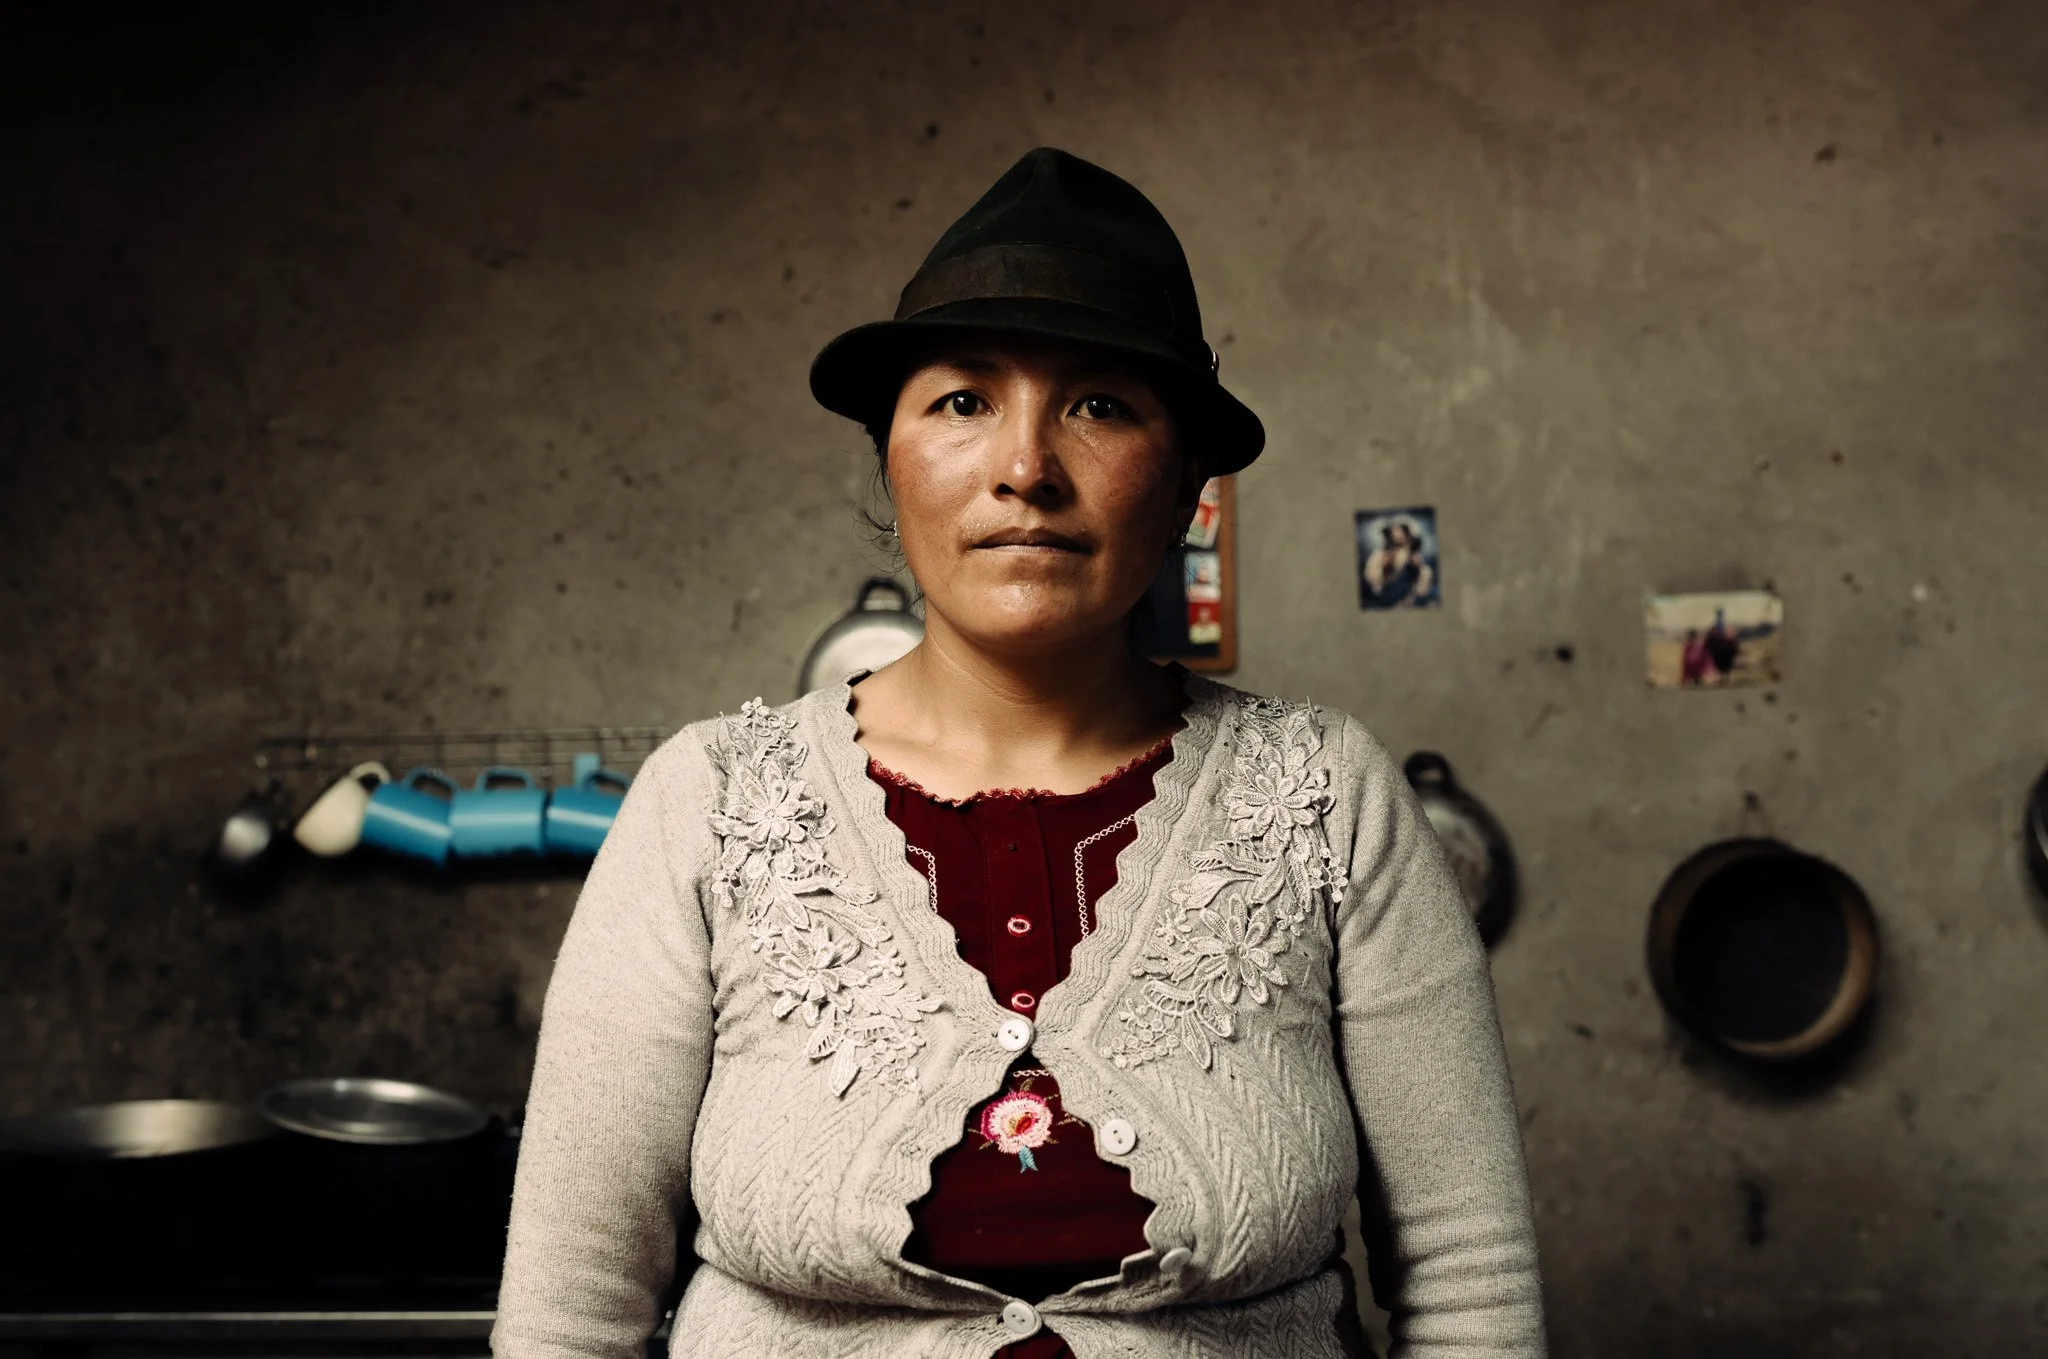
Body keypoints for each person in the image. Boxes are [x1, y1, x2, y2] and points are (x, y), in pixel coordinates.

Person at [493, 149, 1545, 1359]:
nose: (1024, 469)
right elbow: (568, 1314)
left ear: (1189, 484)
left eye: (1100, 405)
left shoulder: (1324, 796)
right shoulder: (714, 802)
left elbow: (1473, 1290)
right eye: (960, 402)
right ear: (886, 457)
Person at [1361, 519, 1435, 608]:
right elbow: (1372, 574)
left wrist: (1415, 566)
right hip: (1386, 590)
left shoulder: (1411, 553)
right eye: (1394, 532)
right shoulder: (1380, 553)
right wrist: (1385, 568)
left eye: (1399, 532)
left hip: (1407, 589)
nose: (1396, 535)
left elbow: (1421, 572)